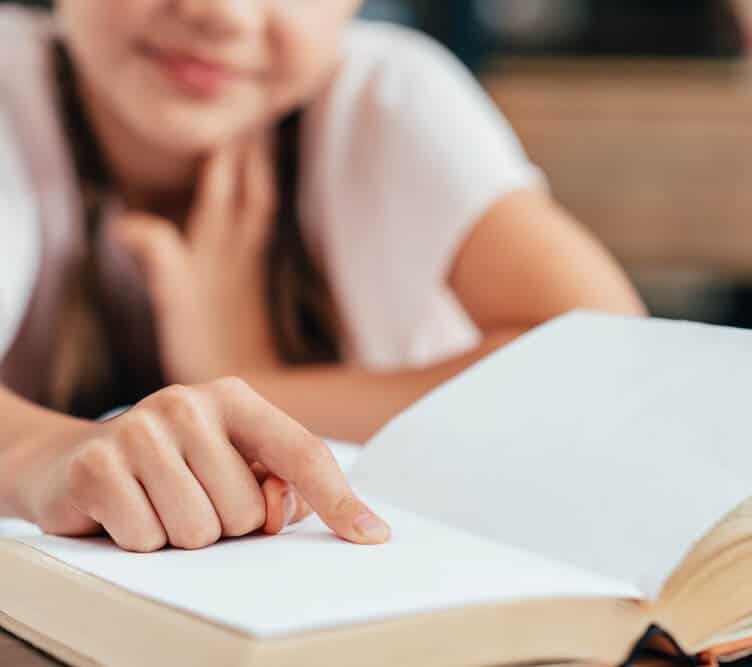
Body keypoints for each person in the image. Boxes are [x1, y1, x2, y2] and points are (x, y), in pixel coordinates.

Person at [0, 1, 646, 553]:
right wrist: (41, 455)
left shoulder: (388, 99)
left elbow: (605, 360)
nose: (220, 13)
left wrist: (253, 380)